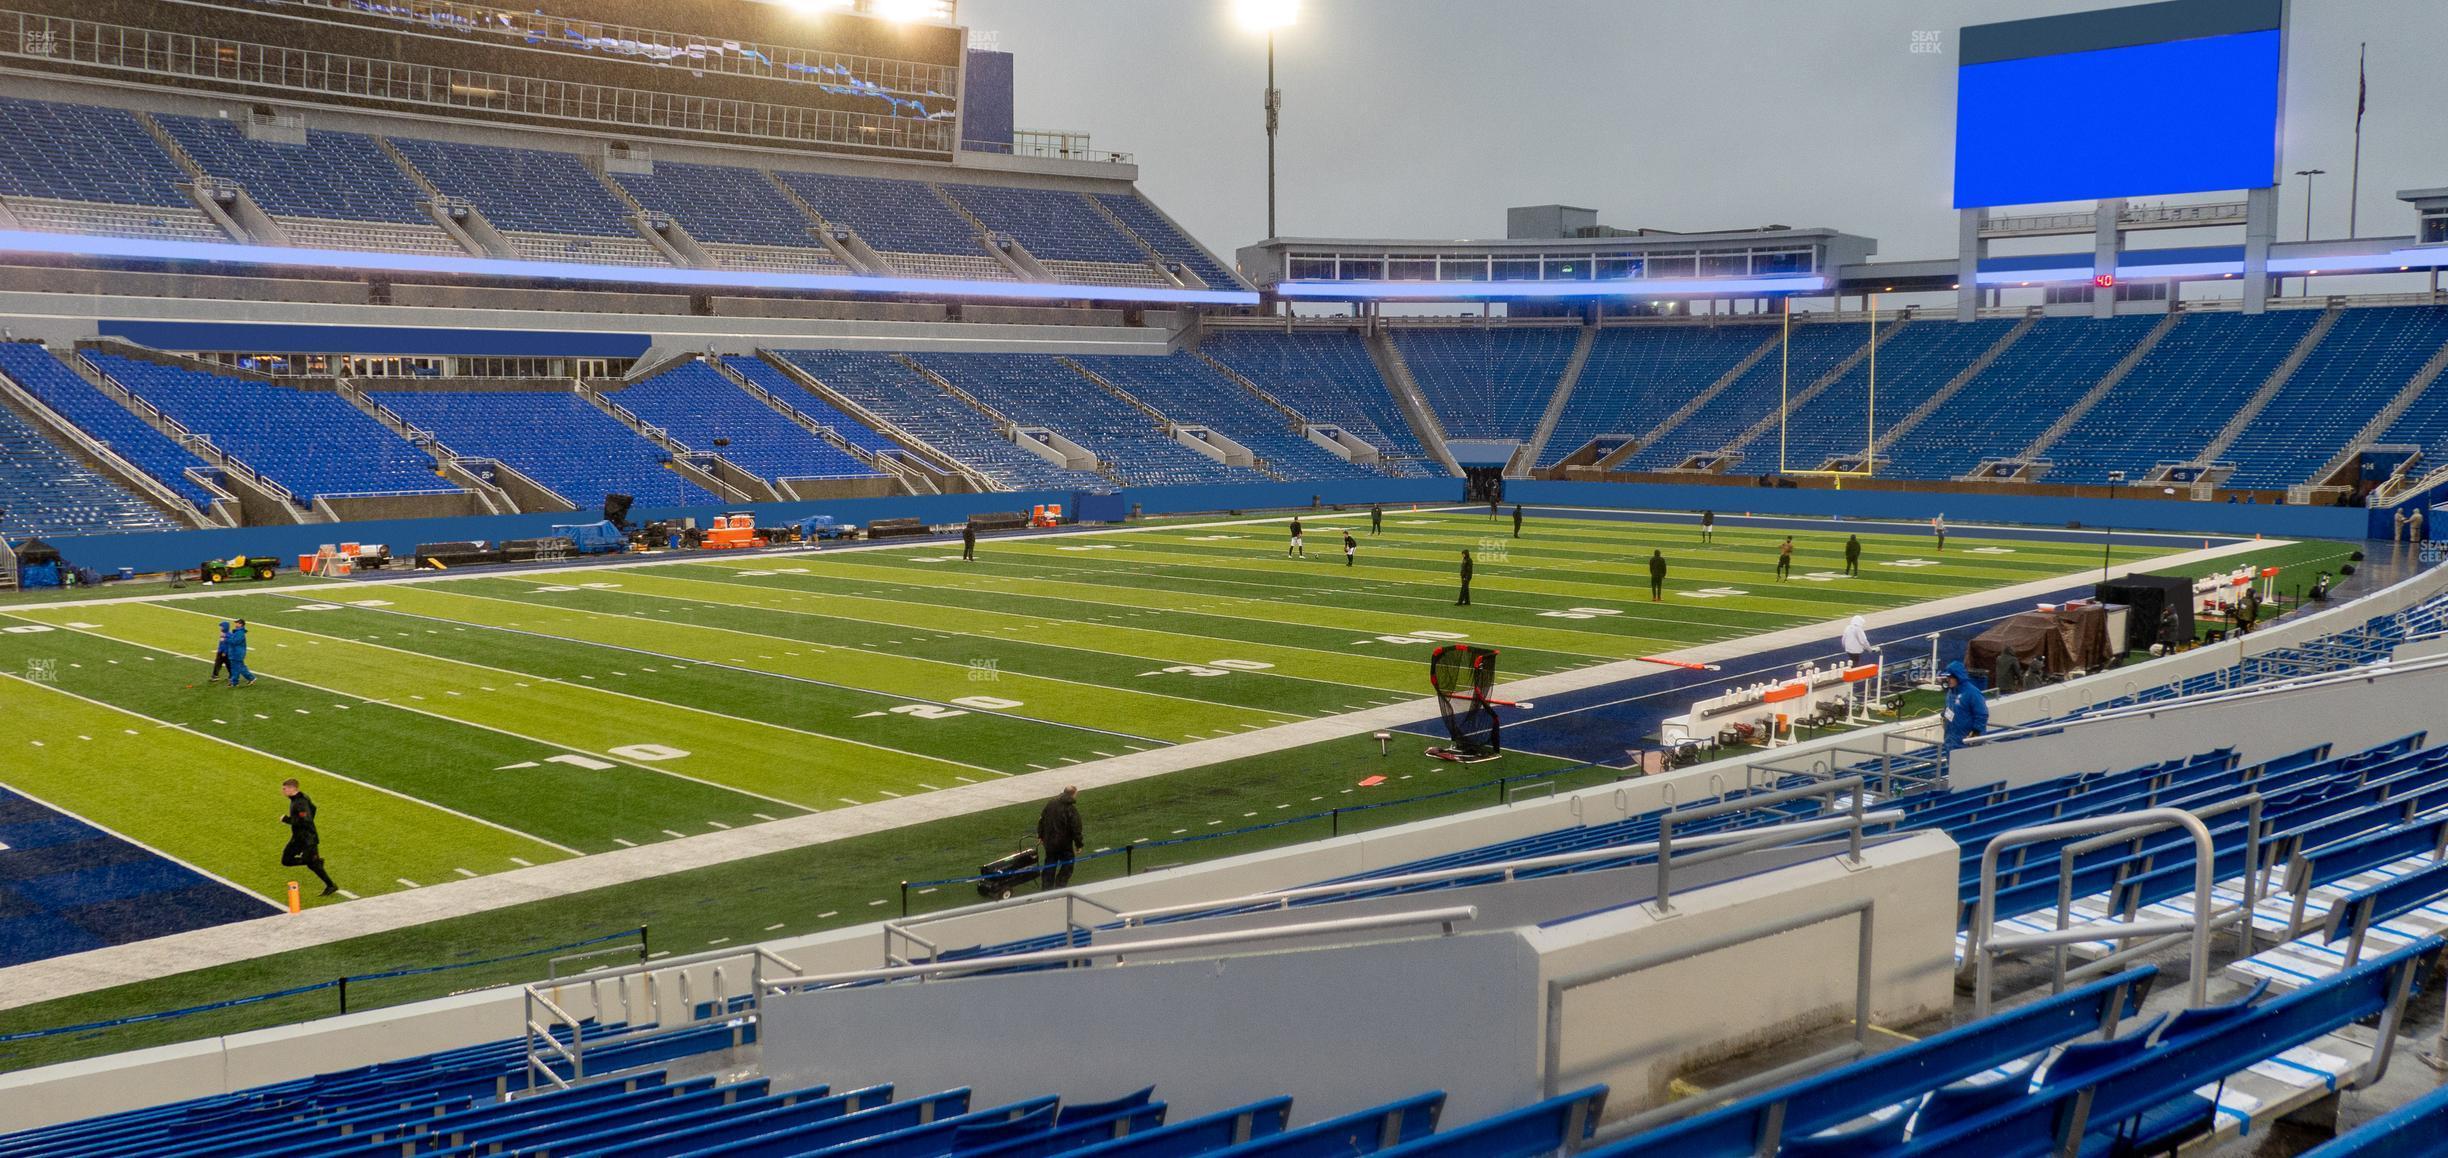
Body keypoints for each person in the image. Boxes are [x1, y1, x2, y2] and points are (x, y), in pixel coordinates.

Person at [279, 778, 339, 897]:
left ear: (292, 788)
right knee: (286, 860)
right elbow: (313, 809)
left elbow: (305, 820)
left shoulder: (300, 802)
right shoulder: (301, 798)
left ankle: (331, 885)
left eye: (284, 789)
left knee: (312, 864)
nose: (283, 791)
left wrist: (286, 819)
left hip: (308, 839)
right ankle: (316, 862)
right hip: (298, 837)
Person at [1035, 785, 1084, 892]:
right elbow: (1076, 828)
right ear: (1073, 794)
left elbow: (1042, 819)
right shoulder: (1070, 809)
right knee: (1068, 865)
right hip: (1063, 843)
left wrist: (1040, 835)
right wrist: (1079, 844)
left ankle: (1046, 890)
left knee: (1050, 865)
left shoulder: (1051, 803)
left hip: (1049, 842)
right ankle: (1059, 887)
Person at [1940, 660, 1988, 754]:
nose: (1948, 680)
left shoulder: (1972, 692)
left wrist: (1976, 731)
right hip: (1951, 741)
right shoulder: (1951, 692)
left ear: (1958, 677)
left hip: (1966, 743)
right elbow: (1948, 707)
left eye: (1951, 677)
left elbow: (1982, 714)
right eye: (1947, 677)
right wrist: (1943, 715)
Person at [224, 619, 255, 687]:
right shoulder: (237, 632)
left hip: (237, 653)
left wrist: (226, 638)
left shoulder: (240, 633)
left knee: (237, 668)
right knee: (238, 667)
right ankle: (249, 679)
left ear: (241, 624)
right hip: (235, 652)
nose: (235, 624)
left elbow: (234, 642)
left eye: (237, 623)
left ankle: (235, 682)